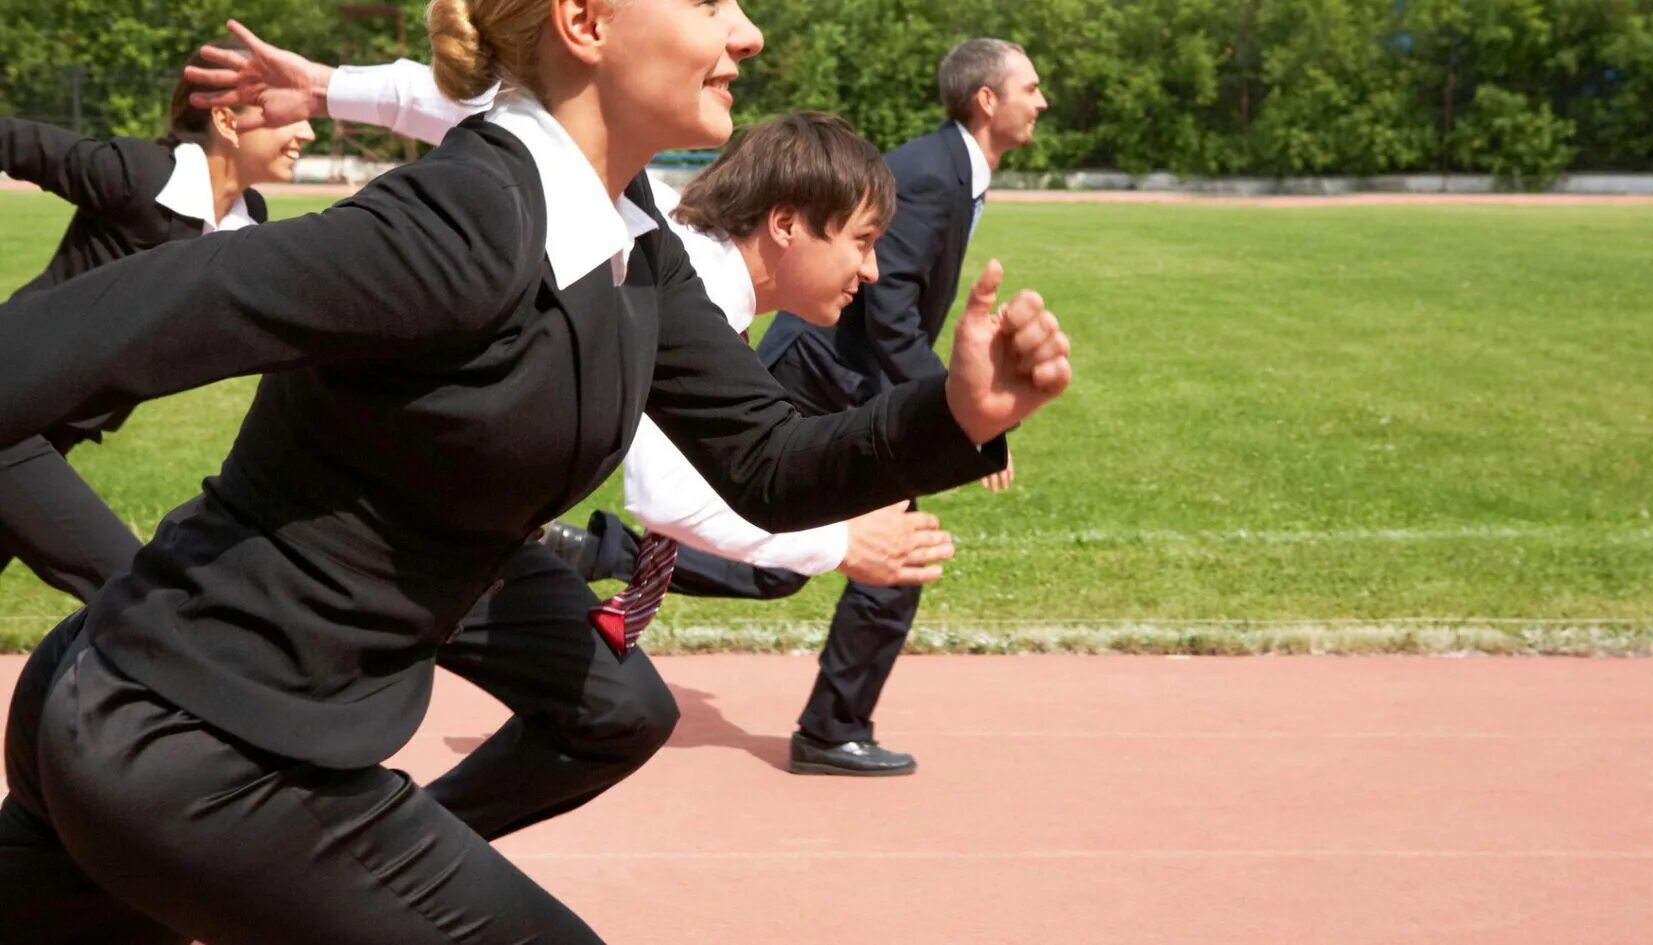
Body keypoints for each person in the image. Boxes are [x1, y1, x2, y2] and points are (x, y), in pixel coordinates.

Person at [0, 2, 1071, 942]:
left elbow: (768, 460)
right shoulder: (459, 227)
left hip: (197, 732)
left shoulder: (625, 235)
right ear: (585, 22)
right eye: (708, 2)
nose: (747, 33)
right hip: (196, 743)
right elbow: (100, 331)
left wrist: (956, 412)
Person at [176, 30, 957, 838]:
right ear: (788, 224)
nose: (871, 273)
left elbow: (478, 102)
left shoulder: (638, 205)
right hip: (370, 534)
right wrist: (838, 545)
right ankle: (352, 849)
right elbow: (673, 499)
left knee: (620, 707)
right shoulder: (673, 274)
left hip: (462, 532)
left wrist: (331, 85)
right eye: (864, 242)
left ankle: (396, 847)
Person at [756, 37, 1050, 775]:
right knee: (801, 551)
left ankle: (832, 726)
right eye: (1032, 88)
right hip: (823, 374)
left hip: (851, 376)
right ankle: (604, 557)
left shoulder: (954, 171)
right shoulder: (930, 176)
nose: (1042, 101)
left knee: (863, 555)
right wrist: (959, 417)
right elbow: (888, 310)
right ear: (988, 100)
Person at [0, 43, 316, 603]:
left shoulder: (249, 224)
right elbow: (16, 142)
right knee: (134, 590)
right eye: (289, 116)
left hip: (52, 431)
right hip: (11, 411)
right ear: (226, 120)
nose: (308, 134)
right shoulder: (140, 176)